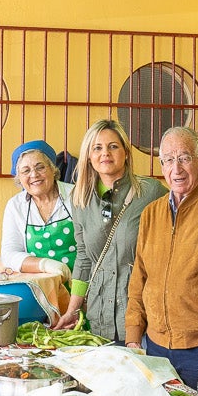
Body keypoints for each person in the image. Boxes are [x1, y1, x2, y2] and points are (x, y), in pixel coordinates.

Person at [122, 127, 198, 386]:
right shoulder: (151, 213)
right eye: (168, 160)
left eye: (184, 158)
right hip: (156, 344)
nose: (176, 169)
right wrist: (133, 334)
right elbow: (140, 278)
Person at [54, 120, 164, 342]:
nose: (105, 153)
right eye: (97, 147)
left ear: (125, 152)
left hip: (142, 312)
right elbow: (84, 259)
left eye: (113, 146)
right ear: (88, 156)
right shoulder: (80, 199)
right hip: (99, 313)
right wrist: (72, 311)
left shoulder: (151, 192)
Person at [0, 140, 75, 276]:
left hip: (80, 284)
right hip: (40, 286)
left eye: (40, 167)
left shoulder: (76, 196)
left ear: (53, 169)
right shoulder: (15, 206)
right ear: (19, 179)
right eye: (26, 171)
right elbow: (9, 254)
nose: (34, 175)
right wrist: (44, 264)